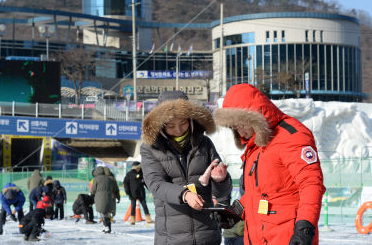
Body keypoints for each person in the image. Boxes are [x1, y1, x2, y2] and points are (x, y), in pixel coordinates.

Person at [213, 83, 326, 245]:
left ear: (253, 116)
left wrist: (305, 227)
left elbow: (311, 184)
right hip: (259, 236)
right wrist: (237, 210)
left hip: (288, 236)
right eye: (235, 127)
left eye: (241, 125)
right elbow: (261, 192)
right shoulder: (256, 145)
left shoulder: (291, 136)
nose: (240, 132)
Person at [140, 90, 232, 245]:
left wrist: (220, 179)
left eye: (183, 123)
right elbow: (155, 184)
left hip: (207, 234)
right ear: (161, 125)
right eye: (171, 126)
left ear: (191, 120)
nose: (178, 130)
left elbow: (221, 193)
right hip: (172, 237)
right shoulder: (150, 148)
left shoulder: (204, 143)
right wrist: (185, 195)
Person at [91, 166, 116, 233]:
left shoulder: (96, 179)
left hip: (99, 197)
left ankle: (106, 227)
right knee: (107, 212)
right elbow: (113, 188)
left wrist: (92, 194)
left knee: (103, 213)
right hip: (109, 196)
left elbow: (93, 189)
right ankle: (106, 227)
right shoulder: (109, 178)